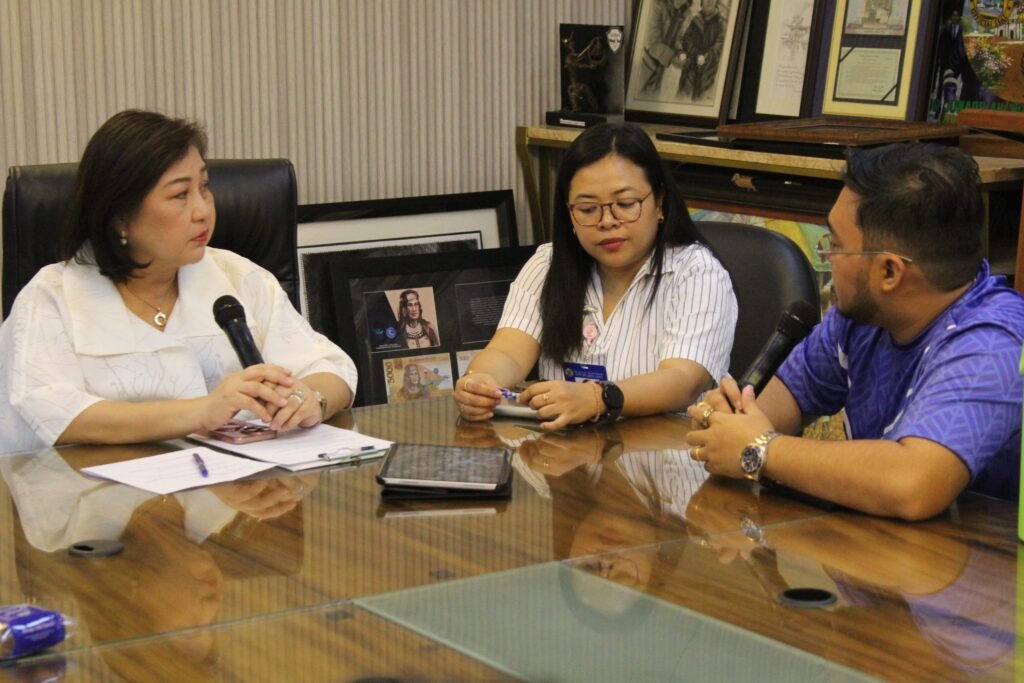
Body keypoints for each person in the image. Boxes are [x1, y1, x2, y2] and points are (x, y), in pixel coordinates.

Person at [686, 142, 1024, 520]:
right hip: (873, 544)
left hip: (973, 554)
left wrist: (760, 449)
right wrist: (727, 422)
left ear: (889, 272)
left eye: (836, 244)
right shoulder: (864, 316)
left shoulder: (994, 346)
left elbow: (913, 485)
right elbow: (773, 408)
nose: (827, 257)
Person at [0, 110, 357, 452]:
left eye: (204, 187)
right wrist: (199, 412)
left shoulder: (239, 278)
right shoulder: (53, 296)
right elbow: (51, 414)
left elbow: (332, 368)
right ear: (120, 215)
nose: (203, 211)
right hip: (99, 491)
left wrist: (311, 399)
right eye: (180, 195)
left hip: (239, 487)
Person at [455, 122, 736, 430]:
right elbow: (507, 351)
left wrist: (598, 399)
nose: (607, 221)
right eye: (588, 209)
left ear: (660, 202)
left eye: (625, 204)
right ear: (570, 215)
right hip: (564, 452)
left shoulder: (697, 273)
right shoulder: (548, 265)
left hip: (670, 451)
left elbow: (683, 380)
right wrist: (479, 383)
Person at [676, 0, 724, 101]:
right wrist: (693, 54)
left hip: (707, 74)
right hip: (690, 70)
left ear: (716, 2)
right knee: (682, 98)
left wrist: (706, 57)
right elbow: (687, 40)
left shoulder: (721, 24)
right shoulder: (695, 20)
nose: (708, 2)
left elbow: (719, 47)